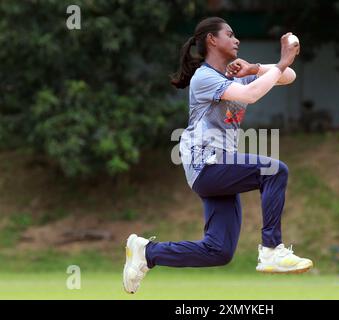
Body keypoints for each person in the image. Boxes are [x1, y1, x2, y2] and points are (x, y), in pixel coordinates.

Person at [123, 17, 313, 294]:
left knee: (218, 251)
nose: (237, 40)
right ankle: (272, 249)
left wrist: (255, 67)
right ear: (212, 40)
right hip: (207, 162)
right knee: (274, 170)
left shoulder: (237, 74)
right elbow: (250, 95)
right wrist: (282, 60)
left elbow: (288, 77)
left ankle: (148, 253)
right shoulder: (204, 77)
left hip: (220, 167)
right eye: (230, 34)